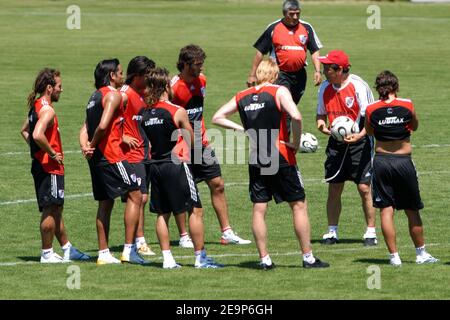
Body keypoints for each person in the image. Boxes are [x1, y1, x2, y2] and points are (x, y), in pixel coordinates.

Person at [212, 60, 329, 269]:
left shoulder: (242, 95)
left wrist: (241, 130)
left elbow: (217, 117)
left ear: (257, 73)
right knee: (298, 205)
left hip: (257, 156)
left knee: (259, 208)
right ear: (275, 75)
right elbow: (296, 116)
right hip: (280, 154)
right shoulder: (279, 91)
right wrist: (294, 142)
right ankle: (308, 257)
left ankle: (264, 259)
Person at [141, 67, 223, 268]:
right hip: (177, 165)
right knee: (195, 210)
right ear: (166, 86)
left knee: (162, 213)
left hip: (155, 166)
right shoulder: (176, 111)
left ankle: (168, 259)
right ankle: (200, 257)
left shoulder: (144, 113)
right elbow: (193, 140)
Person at [171, 44, 251, 247]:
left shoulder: (202, 80)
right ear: (186, 64)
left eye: (201, 64)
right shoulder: (173, 87)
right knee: (183, 192)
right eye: (197, 64)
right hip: (180, 146)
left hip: (202, 142)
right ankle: (183, 236)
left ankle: (227, 232)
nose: (201, 68)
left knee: (218, 185)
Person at [365, 70, 438, 266]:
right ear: (396, 87)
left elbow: (370, 131)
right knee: (412, 209)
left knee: (386, 210)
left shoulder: (371, 108)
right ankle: (421, 254)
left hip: (380, 161)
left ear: (378, 88)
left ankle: (394, 257)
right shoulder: (407, 104)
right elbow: (414, 126)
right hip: (403, 162)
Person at [79, 59, 147, 265]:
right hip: (112, 156)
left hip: (97, 159)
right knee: (136, 195)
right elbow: (101, 126)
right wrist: (92, 142)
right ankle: (129, 250)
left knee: (105, 203)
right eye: (119, 72)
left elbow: (84, 128)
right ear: (111, 76)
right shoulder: (113, 95)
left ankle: (103, 253)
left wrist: (86, 147)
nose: (122, 75)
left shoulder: (93, 97)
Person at [20, 68, 90, 263]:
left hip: (42, 165)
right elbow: (36, 134)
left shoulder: (37, 105)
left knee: (56, 208)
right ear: (49, 88)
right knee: (50, 209)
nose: (62, 89)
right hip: (49, 168)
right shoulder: (48, 110)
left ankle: (67, 248)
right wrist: (51, 153)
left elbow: (24, 130)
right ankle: (47, 252)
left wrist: (37, 151)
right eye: (59, 86)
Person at [316, 50, 378, 246]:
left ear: (340, 69)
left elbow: (370, 117)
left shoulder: (358, 86)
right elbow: (320, 115)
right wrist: (322, 127)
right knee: (334, 187)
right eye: (324, 67)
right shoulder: (324, 87)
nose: (325, 70)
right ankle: (332, 231)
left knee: (363, 188)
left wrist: (359, 135)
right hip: (336, 143)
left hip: (360, 141)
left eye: (328, 68)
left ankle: (370, 232)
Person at [247, 0, 322, 105]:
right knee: (285, 104)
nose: (295, 17)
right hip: (279, 73)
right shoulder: (273, 28)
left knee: (292, 106)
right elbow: (260, 52)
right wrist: (252, 74)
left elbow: (314, 51)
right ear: (284, 13)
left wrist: (317, 71)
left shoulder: (306, 27)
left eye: (298, 13)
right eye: (292, 14)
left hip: (299, 75)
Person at [120, 56, 156, 256]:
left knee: (143, 197)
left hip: (144, 152)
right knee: (139, 197)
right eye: (147, 76)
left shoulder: (142, 93)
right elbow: (106, 118)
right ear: (136, 76)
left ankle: (136, 241)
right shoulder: (124, 95)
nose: (149, 80)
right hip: (131, 155)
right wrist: (122, 135)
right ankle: (139, 241)